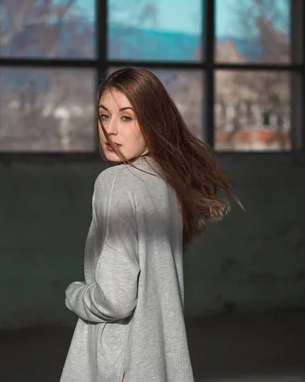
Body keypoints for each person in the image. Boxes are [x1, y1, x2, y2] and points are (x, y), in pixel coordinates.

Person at [59, 67, 240, 382]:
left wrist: (75, 294)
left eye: (126, 117)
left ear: (152, 122)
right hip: (158, 362)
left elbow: (114, 300)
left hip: (121, 367)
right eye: (104, 116)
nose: (110, 130)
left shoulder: (115, 183)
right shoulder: (164, 182)